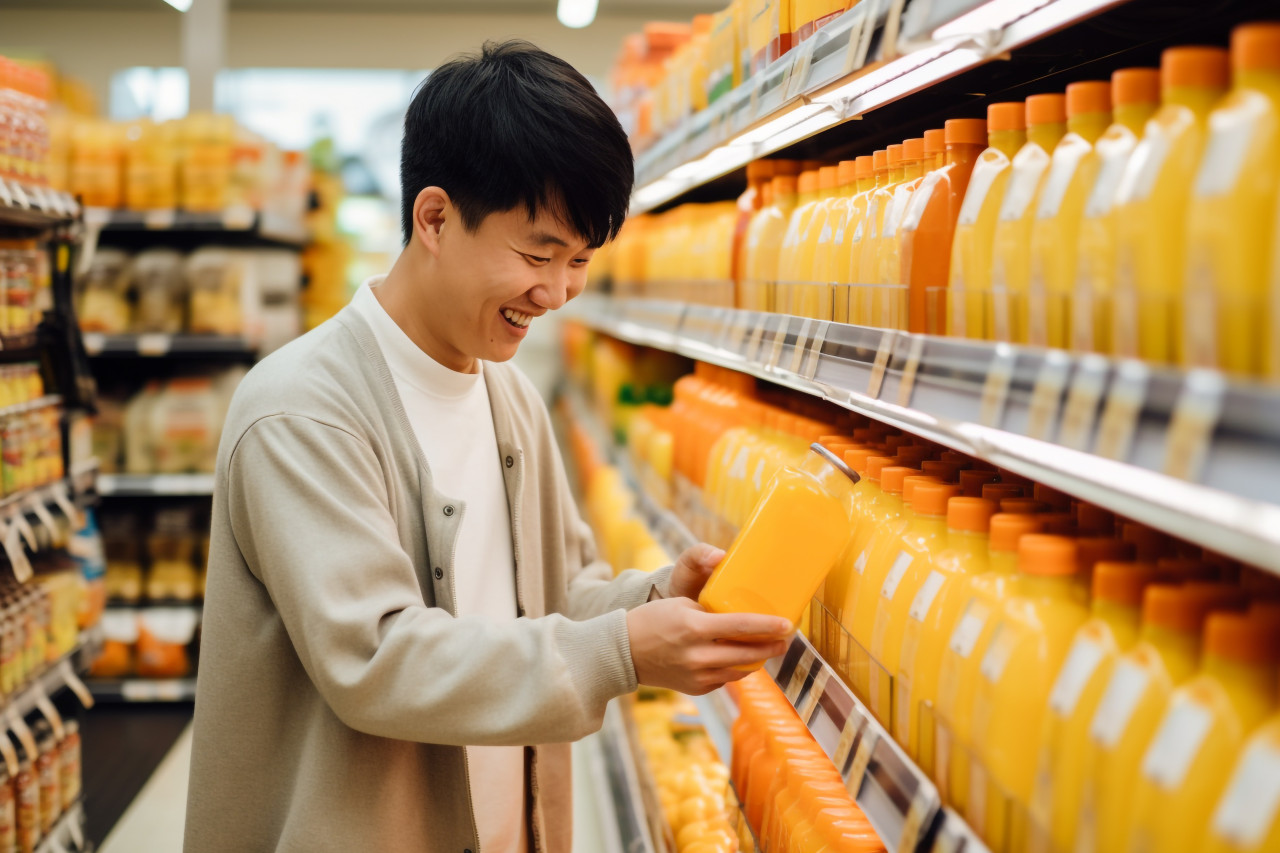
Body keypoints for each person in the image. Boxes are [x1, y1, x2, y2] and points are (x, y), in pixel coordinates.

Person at [184, 40, 791, 853]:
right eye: (538, 253)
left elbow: (550, 596)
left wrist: (650, 601)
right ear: (434, 218)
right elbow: (378, 657)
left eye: (578, 262)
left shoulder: (509, 399)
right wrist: (620, 651)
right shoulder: (301, 413)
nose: (556, 292)